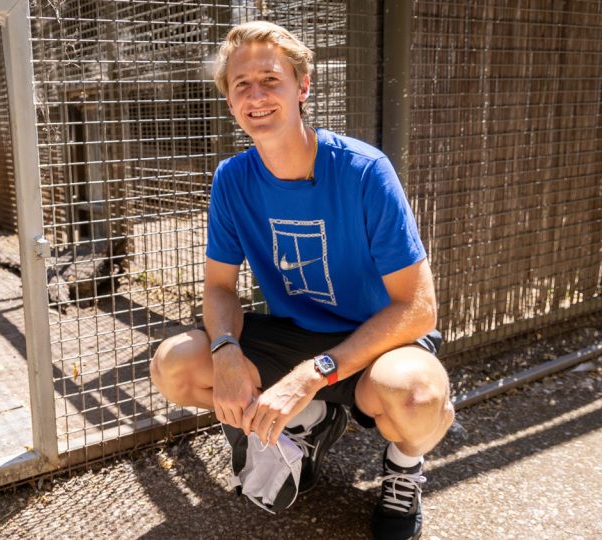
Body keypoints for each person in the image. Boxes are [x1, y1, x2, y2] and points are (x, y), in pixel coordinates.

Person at [149, 21, 454, 540]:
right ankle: (303, 425)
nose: (257, 95)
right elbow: (220, 287)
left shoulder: (364, 170)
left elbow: (418, 308)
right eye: (241, 84)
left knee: (418, 395)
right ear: (229, 102)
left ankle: (403, 469)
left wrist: (315, 372)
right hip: (295, 332)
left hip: (374, 342)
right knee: (175, 366)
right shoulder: (232, 178)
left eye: (271, 79)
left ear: (303, 87)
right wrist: (225, 352)